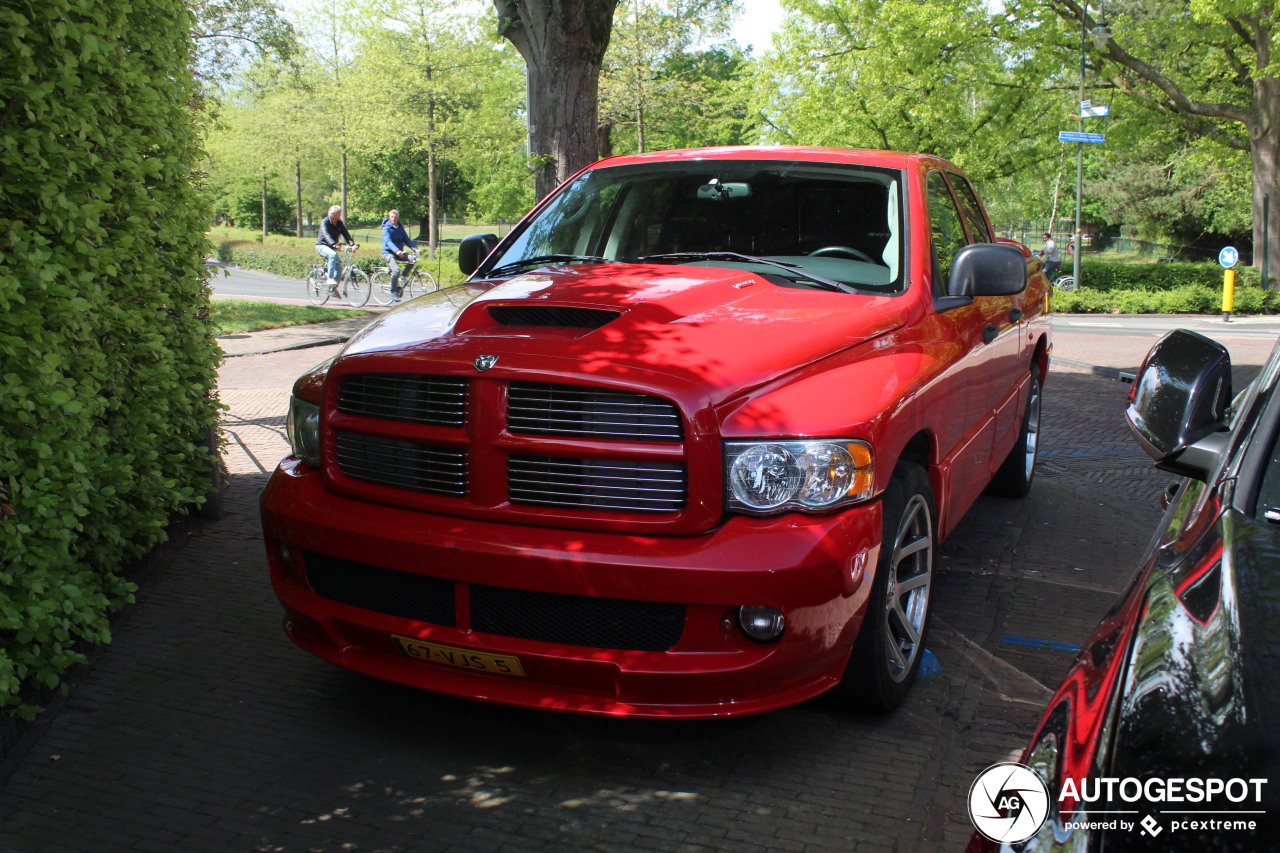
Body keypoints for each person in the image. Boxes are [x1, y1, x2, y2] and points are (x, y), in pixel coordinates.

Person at [381, 209, 419, 301]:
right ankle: (393, 292)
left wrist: (415, 248)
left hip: (399, 253)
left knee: (412, 258)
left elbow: (406, 239)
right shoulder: (386, 228)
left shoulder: (400, 227)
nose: (393, 219)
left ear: (398, 218)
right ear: (389, 217)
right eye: (391, 217)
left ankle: (403, 276)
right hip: (388, 253)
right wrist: (397, 250)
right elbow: (388, 242)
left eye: (395, 217)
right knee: (396, 270)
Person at [316, 205, 356, 284]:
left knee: (339, 267)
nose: (340, 215)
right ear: (333, 214)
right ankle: (330, 278)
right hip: (321, 245)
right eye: (339, 213)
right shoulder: (325, 222)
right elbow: (326, 234)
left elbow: (346, 234)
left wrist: (352, 244)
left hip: (332, 247)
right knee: (333, 254)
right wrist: (334, 244)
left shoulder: (339, 223)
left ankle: (333, 288)